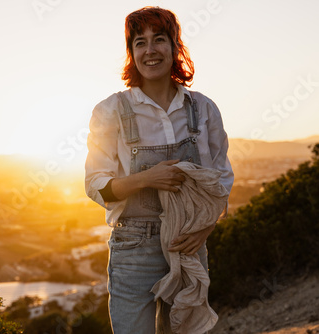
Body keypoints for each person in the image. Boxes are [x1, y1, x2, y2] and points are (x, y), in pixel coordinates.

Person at [84, 6, 234, 334]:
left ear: (175, 46)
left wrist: (204, 230)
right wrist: (147, 179)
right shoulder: (111, 111)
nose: (150, 50)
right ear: (131, 52)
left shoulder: (203, 109)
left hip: (189, 243)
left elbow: (222, 178)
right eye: (140, 42)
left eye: (159, 39)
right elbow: (96, 184)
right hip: (132, 246)